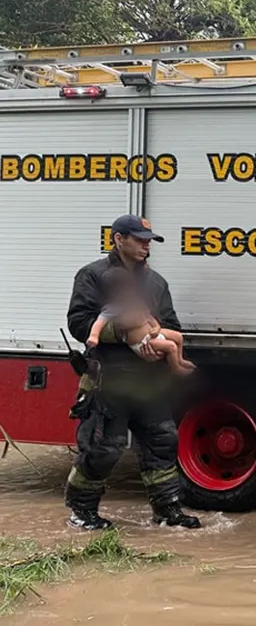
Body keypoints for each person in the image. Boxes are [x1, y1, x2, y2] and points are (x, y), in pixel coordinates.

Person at [65, 214, 201, 531]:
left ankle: (167, 510)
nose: (146, 246)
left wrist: (157, 342)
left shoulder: (156, 283)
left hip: (150, 382)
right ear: (118, 239)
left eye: (149, 241)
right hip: (109, 381)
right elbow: (79, 323)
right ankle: (81, 511)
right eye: (139, 240)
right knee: (103, 449)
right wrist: (125, 335)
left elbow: (172, 324)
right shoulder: (93, 275)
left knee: (163, 442)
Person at [88, 268, 196, 376]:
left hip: (151, 334)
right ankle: (176, 368)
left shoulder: (138, 302)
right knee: (171, 346)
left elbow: (149, 317)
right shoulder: (114, 308)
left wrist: (156, 328)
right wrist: (94, 336)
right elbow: (100, 321)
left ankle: (180, 359)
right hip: (142, 343)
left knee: (178, 336)